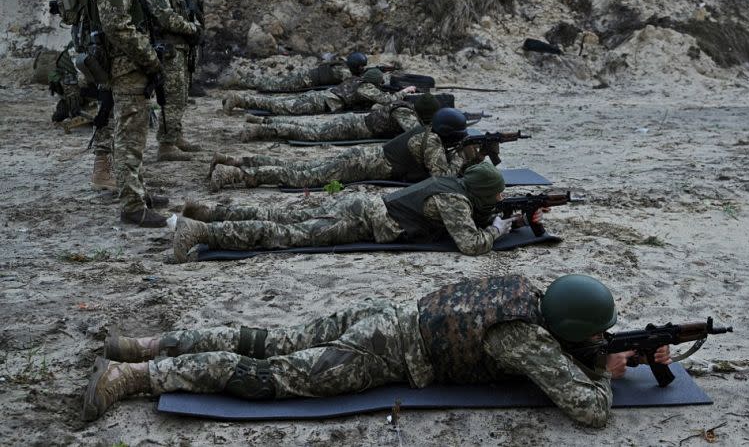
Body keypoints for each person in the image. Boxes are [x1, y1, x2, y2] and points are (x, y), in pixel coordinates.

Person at [80, 273, 673, 425]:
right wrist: (606, 375)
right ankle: (137, 377)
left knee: (264, 338)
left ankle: (147, 344)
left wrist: (604, 352)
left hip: (383, 315)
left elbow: (565, 340)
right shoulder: (527, 339)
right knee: (272, 377)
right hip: (382, 355)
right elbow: (591, 413)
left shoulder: (524, 293)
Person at [178, 161, 517, 260]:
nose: (500, 197)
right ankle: (203, 231)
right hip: (365, 220)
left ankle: (209, 213)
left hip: (363, 203)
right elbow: (471, 244)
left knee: (284, 216)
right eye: (497, 193)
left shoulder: (454, 186)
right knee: (288, 234)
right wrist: (499, 229)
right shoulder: (455, 201)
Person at [84, 0, 169, 226]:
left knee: (134, 135)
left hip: (130, 64)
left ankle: (137, 192)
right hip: (126, 65)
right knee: (129, 136)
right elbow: (117, 26)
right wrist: (149, 57)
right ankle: (133, 206)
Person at [208, 107, 482, 190]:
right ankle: (233, 175)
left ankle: (231, 161)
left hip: (361, 158)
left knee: (298, 167)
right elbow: (443, 180)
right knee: (300, 176)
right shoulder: (433, 141)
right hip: (360, 164)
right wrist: (462, 158)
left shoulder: (430, 134)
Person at [142, 0, 203, 161]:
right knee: (172, 98)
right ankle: (165, 146)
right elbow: (166, 18)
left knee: (180, 96)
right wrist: (191, 28)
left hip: (179, 48)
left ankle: (175, 136)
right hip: (168, 50)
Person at [239, 92, 441, 142]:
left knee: (305, 127)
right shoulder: (405, 112)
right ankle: (259, 129)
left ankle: (262, 121)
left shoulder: (405, 106)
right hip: (354, 127)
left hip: (353, 121)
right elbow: (416, 133)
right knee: (308, 133)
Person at [221, 67, 416, 116]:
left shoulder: (358, 81)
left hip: (321, 97)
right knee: (278, 106)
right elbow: (385, 100)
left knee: (278, 105)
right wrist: (405, 91)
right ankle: (239, 99)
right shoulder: (366, 88)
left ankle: (240, 100)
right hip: (321, 102)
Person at [226, 51, 367, 93]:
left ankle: (243, 79)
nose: (362, 69)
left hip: (309, 76)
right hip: (306, 80)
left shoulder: (344, 66)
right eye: (361, 67)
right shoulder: (344, 72)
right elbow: (356, 80)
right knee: (273, 85)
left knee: (276, 82)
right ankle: (241, 81)